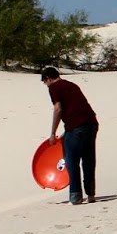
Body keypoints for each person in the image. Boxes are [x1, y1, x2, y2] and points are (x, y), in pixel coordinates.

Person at [42, 66, 97, 205]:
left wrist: (53, 133)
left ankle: (75, 196)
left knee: (72, 161)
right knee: (88, 159)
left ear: (48, 79)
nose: (46, 85)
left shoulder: (54, 87)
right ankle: (91, 195)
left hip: (77, 127)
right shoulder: (72, 85)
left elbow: (58, 109)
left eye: (45, 82)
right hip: (91, 123)